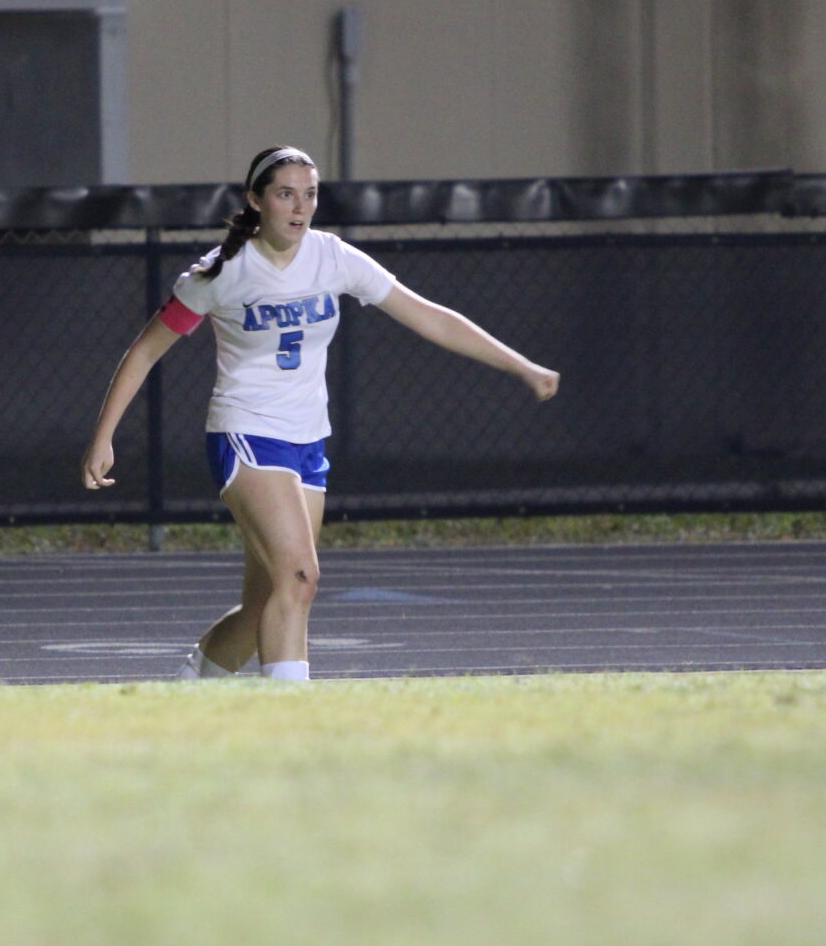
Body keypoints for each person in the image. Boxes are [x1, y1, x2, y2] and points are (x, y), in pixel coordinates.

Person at [82, 145, 558, 682]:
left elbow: (431, 318)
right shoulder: (223, 273)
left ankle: (191, 690)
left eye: (309, 194)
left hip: (307, 444)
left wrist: (521, 366)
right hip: (247, 435)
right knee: (301, 579)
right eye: (286, 194)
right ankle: (291, 720)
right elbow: (145, 350)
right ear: (256, 200)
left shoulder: (333, 257)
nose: (299, 207)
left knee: (269, 601)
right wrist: (105, 436)